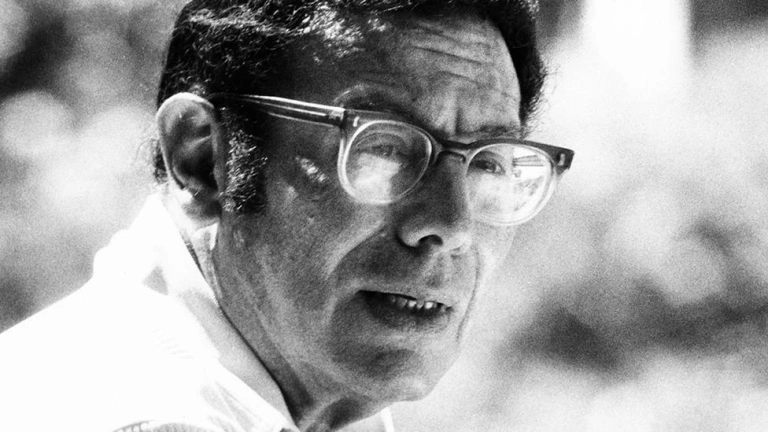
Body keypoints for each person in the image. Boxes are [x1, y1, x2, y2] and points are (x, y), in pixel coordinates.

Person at [0, 0, 573, 431]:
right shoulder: (138, 412)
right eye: (383, 148)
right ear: (202, 158)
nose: (451, 226)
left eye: (488, 164)